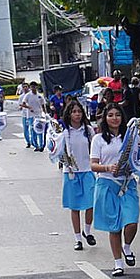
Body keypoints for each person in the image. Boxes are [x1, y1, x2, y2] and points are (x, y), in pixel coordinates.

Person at [88, 103, 140, 275]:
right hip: (106, 184)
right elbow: (93, 165)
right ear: (105, 118)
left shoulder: (130, 137)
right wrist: (107, 168)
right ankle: (118, 263)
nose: (114, 118)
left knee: (131, 221)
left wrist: (133, 167)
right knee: (114, 226)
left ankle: (127, 246)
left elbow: (139, 158)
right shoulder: (98, 139)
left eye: (117, 115)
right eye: (110, 115)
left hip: (127, 184)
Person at [50, 99, 96, 250]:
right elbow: (56, 150)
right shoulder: (64, 132)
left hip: (87, 171)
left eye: (79, 111)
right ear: (69, 114)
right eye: (74, 112)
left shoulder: (88, 130)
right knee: (75, 207)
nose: (77, 114)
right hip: (71, 173)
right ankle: (77, 239)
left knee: (91, 204)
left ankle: (87, 231)